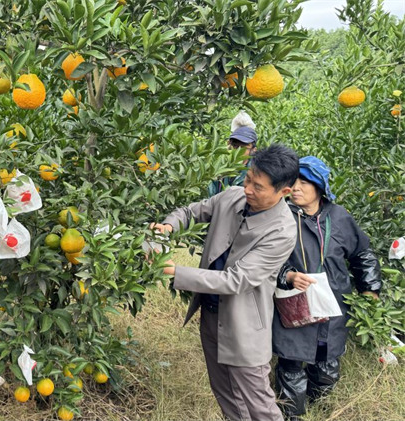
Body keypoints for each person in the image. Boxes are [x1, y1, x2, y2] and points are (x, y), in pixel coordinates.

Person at [151, 144, 299, 421]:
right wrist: (169, 226)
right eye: (248, 180)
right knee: (224, 392)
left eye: (258, 186)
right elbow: (191, 212)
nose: (248, 189)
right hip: (211, 314)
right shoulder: (232, 197)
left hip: (243, 327)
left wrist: (175, 272)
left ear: (284, 192)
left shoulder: (282, 230)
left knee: (259, 404)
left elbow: (237, 280)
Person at [273, 156, 381, 420]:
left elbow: (362, 254)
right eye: (292, 182)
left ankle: (321, 408)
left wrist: (370, 289)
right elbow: (263, 258)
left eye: (303, 182)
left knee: (327, 359)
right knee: (292, 362)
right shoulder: (279, 216)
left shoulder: (339, 217)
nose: (295, 188)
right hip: (294, 303)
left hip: (333, 302)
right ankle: (292, 415)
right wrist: (287, 275)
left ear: (319, 186)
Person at [208, 110, 258, 197]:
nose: (238, 150)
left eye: (243, 148)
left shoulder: (255, 172)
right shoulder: (219, 166)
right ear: (228, 145)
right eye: (235, 146)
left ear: (254, 150)